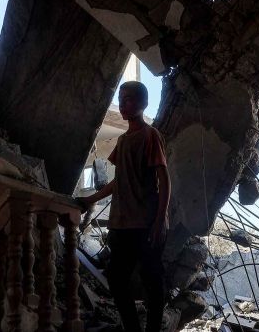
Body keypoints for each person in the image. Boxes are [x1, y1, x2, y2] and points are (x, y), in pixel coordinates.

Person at [78, 81, 171, 332]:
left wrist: (160, 220)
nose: (123, 104)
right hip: (121, 224)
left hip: (145, 223)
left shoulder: (150, 135)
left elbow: (164, 180)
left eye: (129, 99)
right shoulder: (122, 141)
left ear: (143, 104)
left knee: (152, 281)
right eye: (121, 98)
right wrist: (91, 200)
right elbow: (117, 182)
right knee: (117, 281)